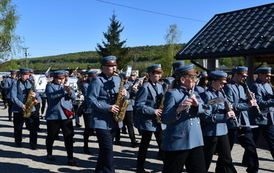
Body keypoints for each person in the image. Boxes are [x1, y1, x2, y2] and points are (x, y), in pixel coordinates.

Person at [161, 64, 206, 173]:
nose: (195, 81)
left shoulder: (196, 93)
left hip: (196, 140)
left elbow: (206, 111)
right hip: (178, 141)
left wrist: (197, 105)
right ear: (182, 79)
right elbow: (165, 119)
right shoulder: (172, 94)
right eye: (193, 78)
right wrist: (178, 110)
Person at [87, 55, 128, 173]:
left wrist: (126, 93)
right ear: (103, 67)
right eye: (110, 66)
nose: (113, 68)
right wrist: (108, 107)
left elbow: (124, 97)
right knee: (108, 150)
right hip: (101, 120)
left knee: (105, 151)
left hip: (113, 120)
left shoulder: (117, 79)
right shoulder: (96, 80)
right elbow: (91, 101)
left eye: (114, 65)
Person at [200, 71, 237, 173]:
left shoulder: (221, 94)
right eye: (220, 83)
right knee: (206, 159)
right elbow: (205, 116)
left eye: (224, 83)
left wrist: (228, 109)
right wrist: (224, 116)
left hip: (223, 130)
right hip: (210, 132)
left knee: (226, 157)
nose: (223, 85)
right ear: (213, 82)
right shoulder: (205, 95)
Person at [224, 66, 259, 173]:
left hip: (244, 122)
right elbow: (231, 106)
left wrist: (248, 98)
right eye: (243, 76)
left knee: (251, 147)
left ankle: (253, 169)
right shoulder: (228, 87)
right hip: (233, 123)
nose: (245, 78)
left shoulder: (241, 86)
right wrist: (247, 104)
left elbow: (240, 101)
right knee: (226, 151)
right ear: (236, 74)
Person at [134, 64, 166, 173]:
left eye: (160, 73)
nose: (159, 75)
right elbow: (139, 105)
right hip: (148, 121)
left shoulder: (161, 86)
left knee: (163, 144)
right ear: (151, 74)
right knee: (144, 145)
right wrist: (153, 111)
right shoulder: (145, 87)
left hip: (159, 121)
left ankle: (168, 167)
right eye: (156, 73)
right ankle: (140, 167)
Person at [45, 70, 78, 166]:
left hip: (66, 115)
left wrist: (70, 92)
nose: (61, 80)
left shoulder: (68, 86)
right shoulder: (50, 86)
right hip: (54, 115)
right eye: (59, 79)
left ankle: (70, 158)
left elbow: (74, 97)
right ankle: (49, 153)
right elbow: (51, 96)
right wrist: (62, 90)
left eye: (63, 79)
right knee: (51, 136)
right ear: (54, 78)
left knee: (68, 137)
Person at [10, 68, 39, 149]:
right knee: (18, 127)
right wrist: (21, 105)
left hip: (30, 108)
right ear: (20, 75)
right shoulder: (15, 83)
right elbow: (13, 97)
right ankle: (18, 142)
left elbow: (38, 95)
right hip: (18, 109)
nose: (26, 76)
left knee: (33, 127)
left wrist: (35, 95)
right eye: (24, 75)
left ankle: (33, 143)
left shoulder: (31, 83)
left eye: (27, 75)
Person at [250, 67, 274, 159]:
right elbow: (259, 103)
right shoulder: (255, 86)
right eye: (267, 76)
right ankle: (248, 160)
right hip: (258, 118)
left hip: (268, 118)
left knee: (272, 140)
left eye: (269, 76)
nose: (269, 78)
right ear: (260, 75)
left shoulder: (268, 85)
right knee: (252, 142)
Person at [81, 70, 98, 154]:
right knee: (88, 128)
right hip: (89, 109)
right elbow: (88, 96)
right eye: (93, 77)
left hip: (98, 109)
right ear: (90, 77)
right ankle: (85, 146)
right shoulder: (86, 86)